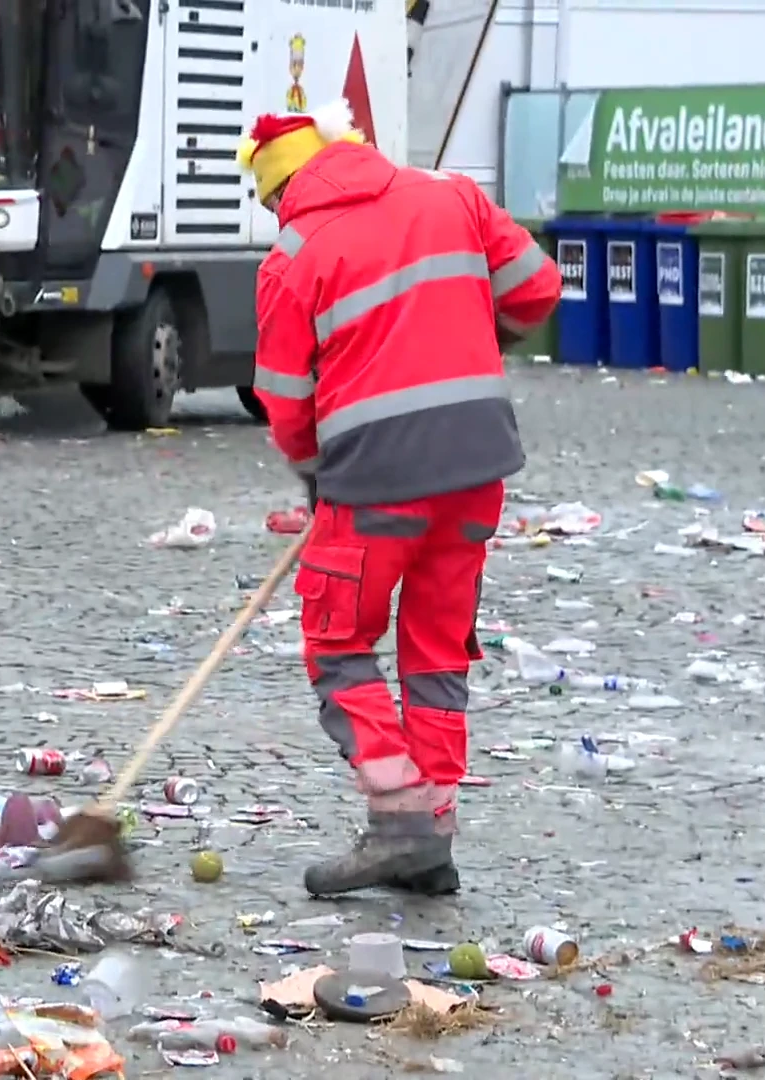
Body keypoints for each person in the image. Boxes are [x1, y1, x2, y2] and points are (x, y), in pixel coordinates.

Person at [238, 100, 560, 897]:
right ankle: (434, 832)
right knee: (438, 651)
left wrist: (318, 477)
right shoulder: (449, 193)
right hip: (476, 464)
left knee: (338, 643)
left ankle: (400, 818)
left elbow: (283, 400)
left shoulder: (292, 254)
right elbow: (536, 291)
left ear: (281, 194)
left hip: (375, 477)